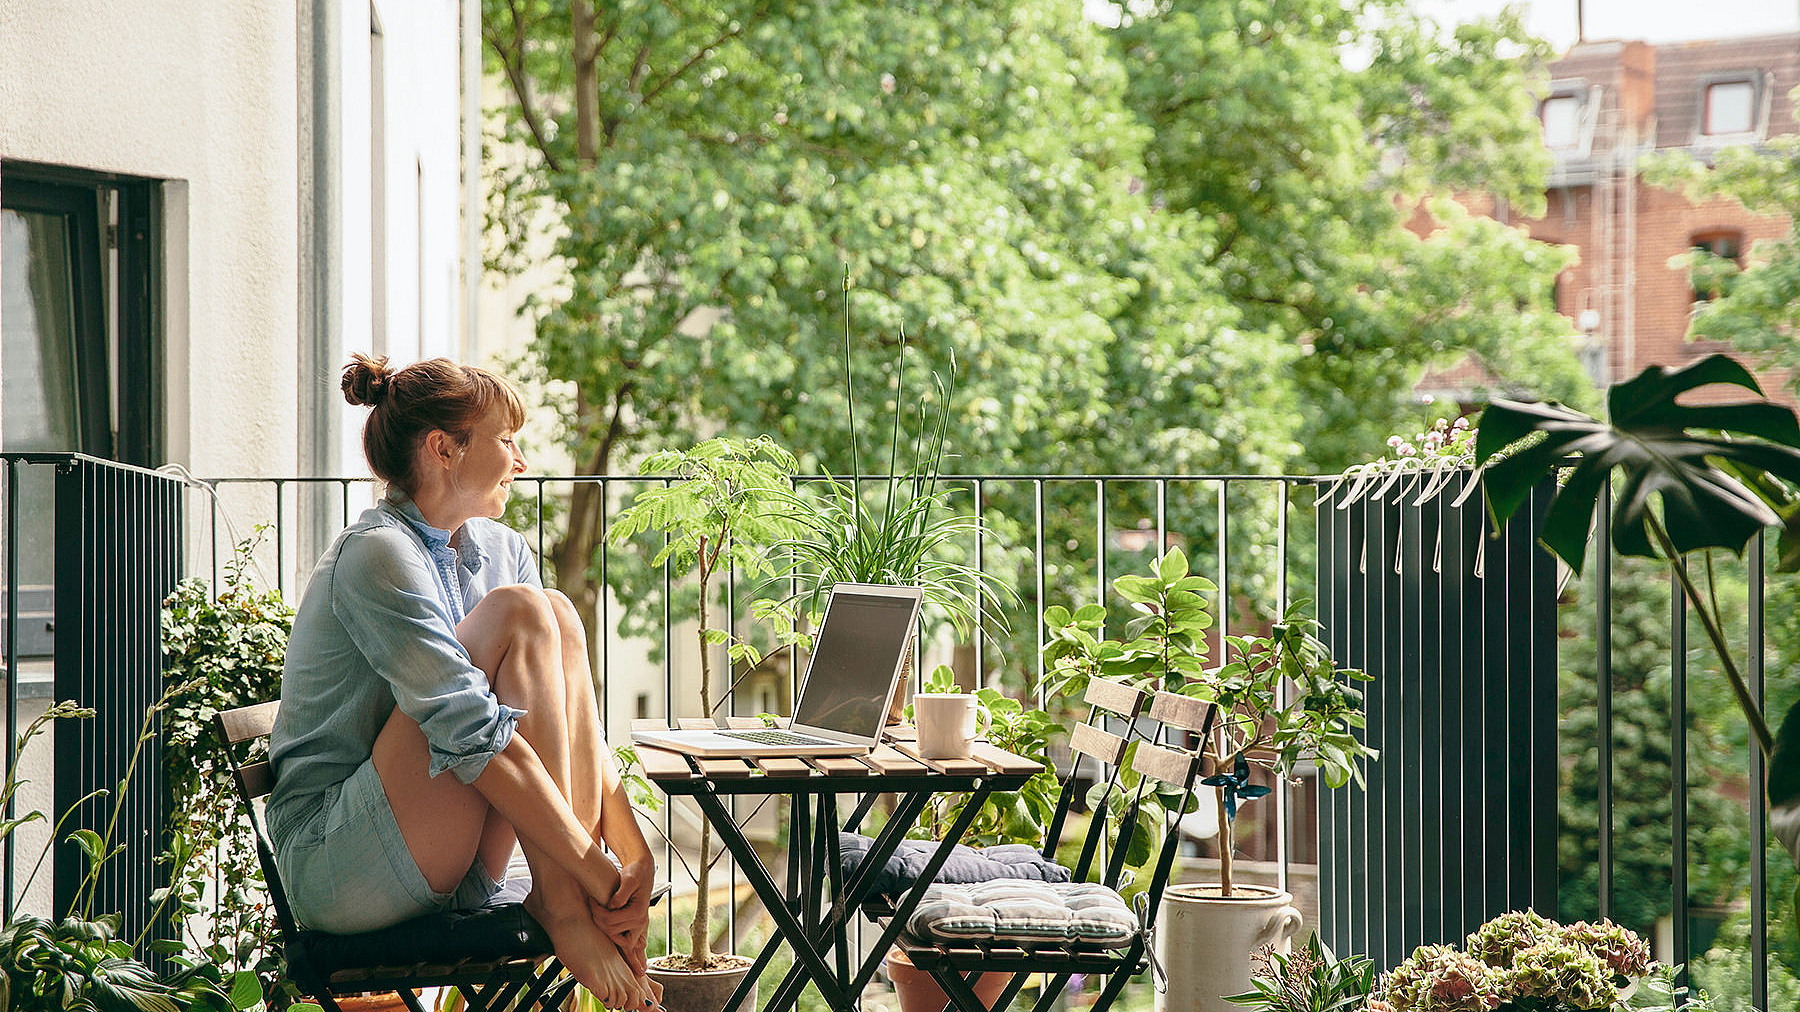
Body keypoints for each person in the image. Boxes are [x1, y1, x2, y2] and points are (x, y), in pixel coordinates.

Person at [266, 354, 659, 1009]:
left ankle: (569, 899)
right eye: (506, 441)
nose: (521, 461)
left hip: (441, 845)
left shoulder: (499, 551)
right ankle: (563, 907)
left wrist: (631, 858)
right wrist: (593, 876)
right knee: (523, 612)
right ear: (443, 448)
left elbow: (562, 718)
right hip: (341, 864)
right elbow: (472, 734)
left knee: (554, 613)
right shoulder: (377, 555)